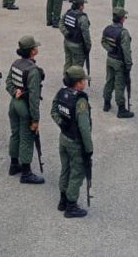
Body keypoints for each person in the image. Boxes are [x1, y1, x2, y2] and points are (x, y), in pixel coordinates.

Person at [51, 65, 93, 218]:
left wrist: (61, 123)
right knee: (77, 172)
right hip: (76, 142)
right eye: (84, 80)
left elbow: (53, 110)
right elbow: (84, 127)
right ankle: (71, 205)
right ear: (78, 83)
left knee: (66, 168)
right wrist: (89, 149)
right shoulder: (80, 101)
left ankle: (63, 199)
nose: (85, 83)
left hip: (64, 138)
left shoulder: (62, 92)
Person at [6, 35, 45, 184]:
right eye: (35, 47)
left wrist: (13, 91)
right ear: (32, 51)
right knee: (27, 137)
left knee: (15, 134)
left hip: (13, 103)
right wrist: (35, 119)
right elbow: (34, 98)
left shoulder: (16, 63)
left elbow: (8, 81)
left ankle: (14, 164)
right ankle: (27, 172)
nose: (37, 48)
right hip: (24, 106)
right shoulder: (33, 70)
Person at [101, 7, 134, 118]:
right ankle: (121, 109)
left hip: (110, 59)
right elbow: (126, 50)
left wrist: (110, 49)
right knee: (119, 85)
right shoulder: (123, 32)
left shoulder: (107, 29)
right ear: (122, 19)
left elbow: (103, 41)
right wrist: (128, 64)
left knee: (109, 81)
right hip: (119, 61)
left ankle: (106, 103)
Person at [60, 0, 91, 74]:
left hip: (67, 42)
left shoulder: (68, 12)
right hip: (77, 45)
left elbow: (61, 23)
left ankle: (66, 80)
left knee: (68, 62)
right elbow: (86, 34)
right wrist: (88, 47)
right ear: (81, 6)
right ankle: (74, 82)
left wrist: (65, 33)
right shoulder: (82, 17)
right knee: (77, 67)